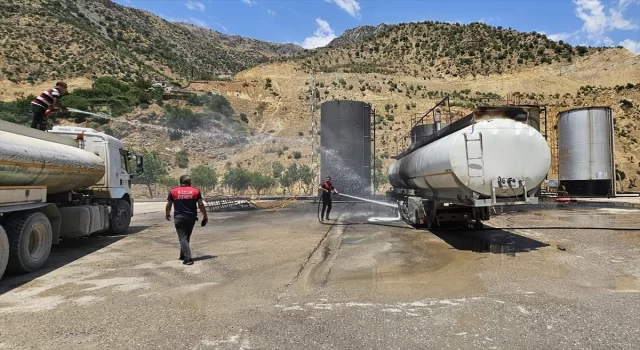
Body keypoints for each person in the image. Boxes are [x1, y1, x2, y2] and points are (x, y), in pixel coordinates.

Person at [165, 175, 209, 265]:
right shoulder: (196, 191)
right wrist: (205, 215)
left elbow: (169, 204)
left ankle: (187, 258)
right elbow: (200, 205)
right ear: (189, 182)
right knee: (186, 236)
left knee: (183, 237)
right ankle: (184, 256)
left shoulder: (173, 191)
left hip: (179, 218)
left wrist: (167, 213)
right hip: (191, 218)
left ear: (180, 182)